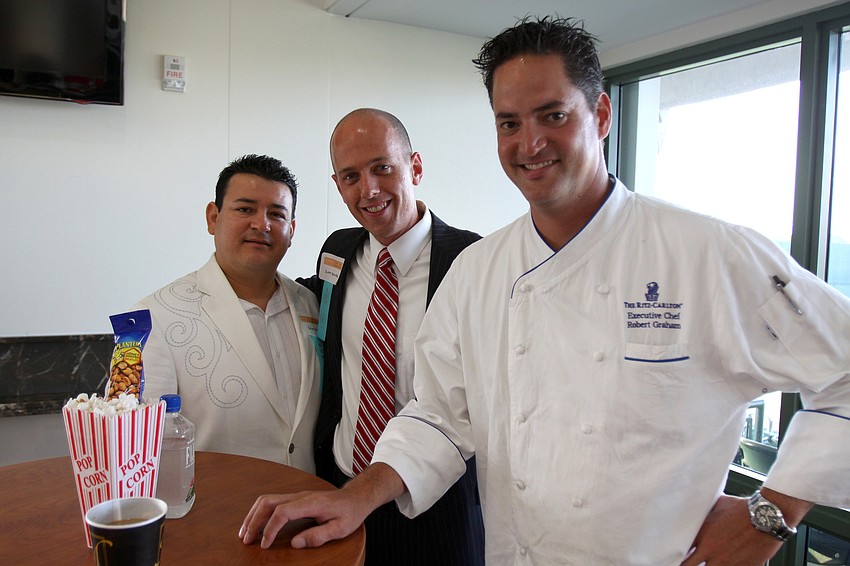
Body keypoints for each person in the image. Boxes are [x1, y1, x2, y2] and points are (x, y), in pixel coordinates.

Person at [239, 18, 850, 565]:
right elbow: (441, 417)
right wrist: (355, 500)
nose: (529, 143)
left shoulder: (707, 254)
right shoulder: (479, 271)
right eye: (510, 123)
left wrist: (771, 515)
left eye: (552, 115)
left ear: (602, 116)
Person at [297, 108, 484, 565]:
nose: (369, 190)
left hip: (434, 501)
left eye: (383, 167)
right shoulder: (337, 250)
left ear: (415, 167)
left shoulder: (471, 261)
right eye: (350, 176)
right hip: (340, 485)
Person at [137, 154, 320, 471]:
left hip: (309, 507)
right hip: (216, 512)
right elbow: (142, 447)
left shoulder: (311, 304)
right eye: (245, 209)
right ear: (213, 217)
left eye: (276, 214)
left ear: (291, 230)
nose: (261, 224)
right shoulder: (155, 317)